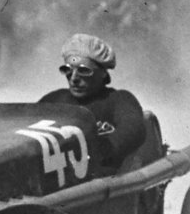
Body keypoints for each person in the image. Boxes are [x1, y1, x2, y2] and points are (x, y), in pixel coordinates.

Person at [38, 34, 146, 170]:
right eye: (67, 70)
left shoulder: (119, 99)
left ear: (103, 73)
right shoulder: (54, 99)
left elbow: (133, 129)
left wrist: (102, 150)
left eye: (83, 70)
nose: (74, 78)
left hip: (102, 174)